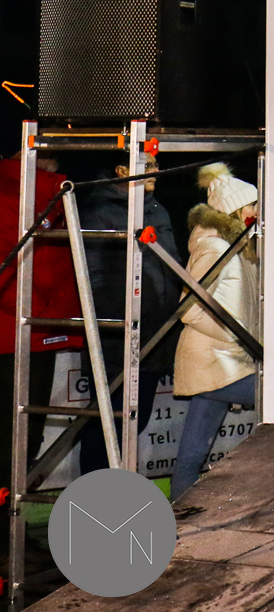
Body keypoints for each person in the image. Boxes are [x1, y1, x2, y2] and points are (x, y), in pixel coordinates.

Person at [76, 155, 181, 474]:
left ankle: (116, 492)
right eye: (147, 166)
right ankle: (94, 497)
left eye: (156, 164)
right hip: (118, 340)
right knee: (107, 426)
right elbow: (93, 278)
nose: (156, 171)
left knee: (137, 420)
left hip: (155, 336)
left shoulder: (156, 209)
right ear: (122, 170)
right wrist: (118, 327)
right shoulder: (100, 211)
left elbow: (171, 265)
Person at [171, 168, 260, 498]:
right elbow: (189, 309)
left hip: (223, 359)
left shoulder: (240, 245)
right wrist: (234, 336)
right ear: (234, 209)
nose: (257, 211)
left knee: (192, 455)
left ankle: (180, 515)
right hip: (215, 358)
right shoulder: (214, 247)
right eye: (252, 204)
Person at [1, 151, 78, 477]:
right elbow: (11, 267)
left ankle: (11, 500)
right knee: (15, 439)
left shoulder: (45, 192)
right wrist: (42, 312)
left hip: (37, 327)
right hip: (23, 330)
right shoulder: (20, 193)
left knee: (24, 437)